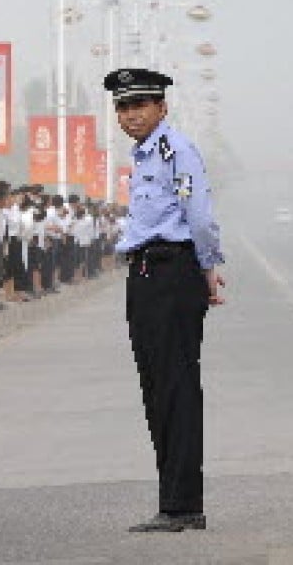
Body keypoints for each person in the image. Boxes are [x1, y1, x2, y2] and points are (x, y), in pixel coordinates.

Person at [105, 67, 224, 533]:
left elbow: (199, 215)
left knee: (174, 387)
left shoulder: (176, 149)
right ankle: (174, 501)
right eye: (123, 107)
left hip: (173, 269)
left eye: (140, 105)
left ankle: (182, 505)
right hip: (148, 271)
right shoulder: (143, 155)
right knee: (157, 387)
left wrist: (208, 266)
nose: (131, 115)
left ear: (161, 107)